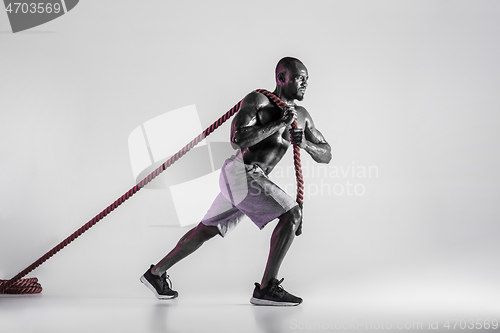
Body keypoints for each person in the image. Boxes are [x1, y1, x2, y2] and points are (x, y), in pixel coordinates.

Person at [140, 57, 332, 306]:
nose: (305, 83)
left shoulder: (303, 116)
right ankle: (266, 289)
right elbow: (237, 138)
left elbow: (326, 153)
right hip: (241, 173)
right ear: (282, 78)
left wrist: (304, 143)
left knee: (206, 230)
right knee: (292, 215)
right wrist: (279, 124)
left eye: (307, 79)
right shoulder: (258, 101)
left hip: (249, 180)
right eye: (300, 78)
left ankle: (155, 274)